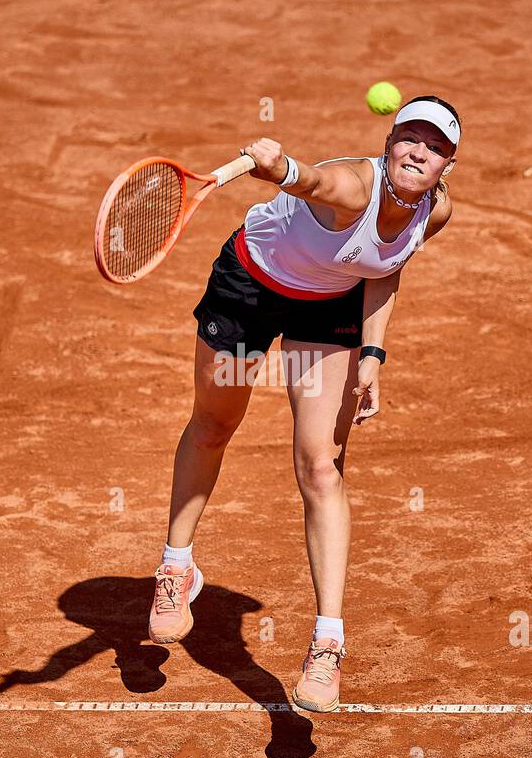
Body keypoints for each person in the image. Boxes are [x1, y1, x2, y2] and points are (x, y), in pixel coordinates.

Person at [147, 96, 459, 713]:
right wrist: (282, 169)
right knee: (214, 424)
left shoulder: (435, 210)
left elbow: (384, 267)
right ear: (390, 141)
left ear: (447, 165)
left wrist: (374, 353)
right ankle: (175, 567)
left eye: (435, 146)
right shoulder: (352, 186)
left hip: (329, 310)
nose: (418, 152)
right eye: (409, 138)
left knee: (320, 466)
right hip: (249, 290)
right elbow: (317, 180)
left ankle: (328, 643)